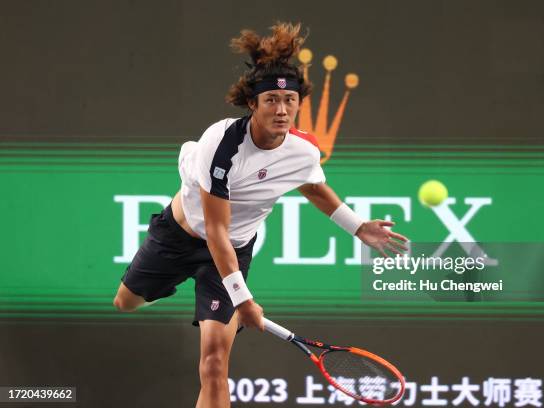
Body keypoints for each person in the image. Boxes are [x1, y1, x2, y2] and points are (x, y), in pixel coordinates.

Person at [112, 22, 408, 408]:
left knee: (214, 364)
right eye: (270, 100)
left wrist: (358, 227)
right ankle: (168, 282)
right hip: (181, 236)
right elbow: (215, 230)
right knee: (126, 302)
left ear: (299, 103)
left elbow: (314, 187)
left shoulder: (302, 152)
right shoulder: (221, 143)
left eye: (289, 101)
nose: (281, 110)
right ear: (252, 104)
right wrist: (244, 299)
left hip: (231, 253)